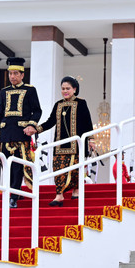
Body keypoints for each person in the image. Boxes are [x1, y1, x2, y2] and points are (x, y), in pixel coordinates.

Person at [0, 57, 42, 208]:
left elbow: (37, 111)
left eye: (15, 73)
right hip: (6, 133)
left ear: (22, 74)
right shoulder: (4, 92)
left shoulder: (30, 90)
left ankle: (13, 195)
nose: (12, 77)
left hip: (21, 133)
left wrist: (31, 125)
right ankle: (11, 192)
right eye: (10, 74)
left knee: (18, 165)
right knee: (6, 165)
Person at [38, 76, 93, 206]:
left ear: (74, 89)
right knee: (59, 170)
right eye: (63, 89)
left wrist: (91, 140)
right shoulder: (58, 105)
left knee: (75, 169)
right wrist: (37, 129)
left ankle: (77, 190)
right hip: (60, 144)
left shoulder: (81, 103)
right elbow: (51, 122)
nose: (65, 91)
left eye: (68, 88)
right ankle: (59, 195)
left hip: (77, 144)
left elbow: (88, 123)